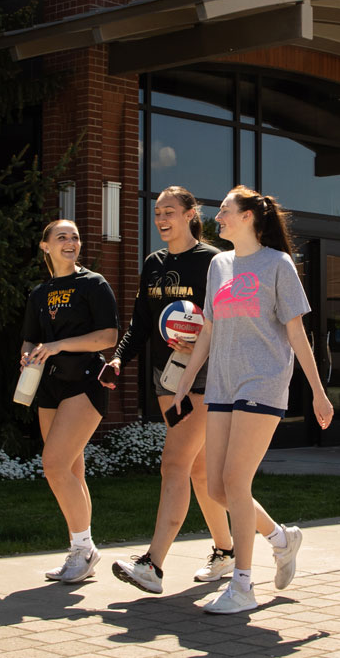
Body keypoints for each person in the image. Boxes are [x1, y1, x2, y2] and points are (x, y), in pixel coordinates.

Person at [170, 185, 334, 614]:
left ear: (247, 217)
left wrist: (318, 392)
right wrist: (186, 383)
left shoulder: (278, 264)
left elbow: (298, 333)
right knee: (217, 487)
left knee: (237, 484)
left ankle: (243, 585)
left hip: (262, 382)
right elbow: (207, 329)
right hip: (222, 385)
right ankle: (282, 539)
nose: (217, 217)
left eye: (224, 211)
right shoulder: (218, 265)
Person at [105, 186, 235, 594]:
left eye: (170, 212)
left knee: (174, 463)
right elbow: (140, 322)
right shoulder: (154, 263)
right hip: (167, 377)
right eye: (157, 212)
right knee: (197, 470)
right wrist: (117, 360)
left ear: (191, 213)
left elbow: (230, 319)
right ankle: (231, 550)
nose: (161, 219)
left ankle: (153, 564)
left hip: (203, 375)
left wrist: (201, 342)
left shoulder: (213, 261)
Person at [19, 219, 118, 584]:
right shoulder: (39, 293)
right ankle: (82, 548)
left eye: (75, 236)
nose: (71, 242)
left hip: (85, 381)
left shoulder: (93, 284)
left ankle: (83, 550)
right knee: (71, 471)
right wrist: (28, 356)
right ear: (45, 246)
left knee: (54, 464)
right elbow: (30, 339)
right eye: (61, 237)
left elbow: (107, 336)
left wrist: (59, 345)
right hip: (49, 386)